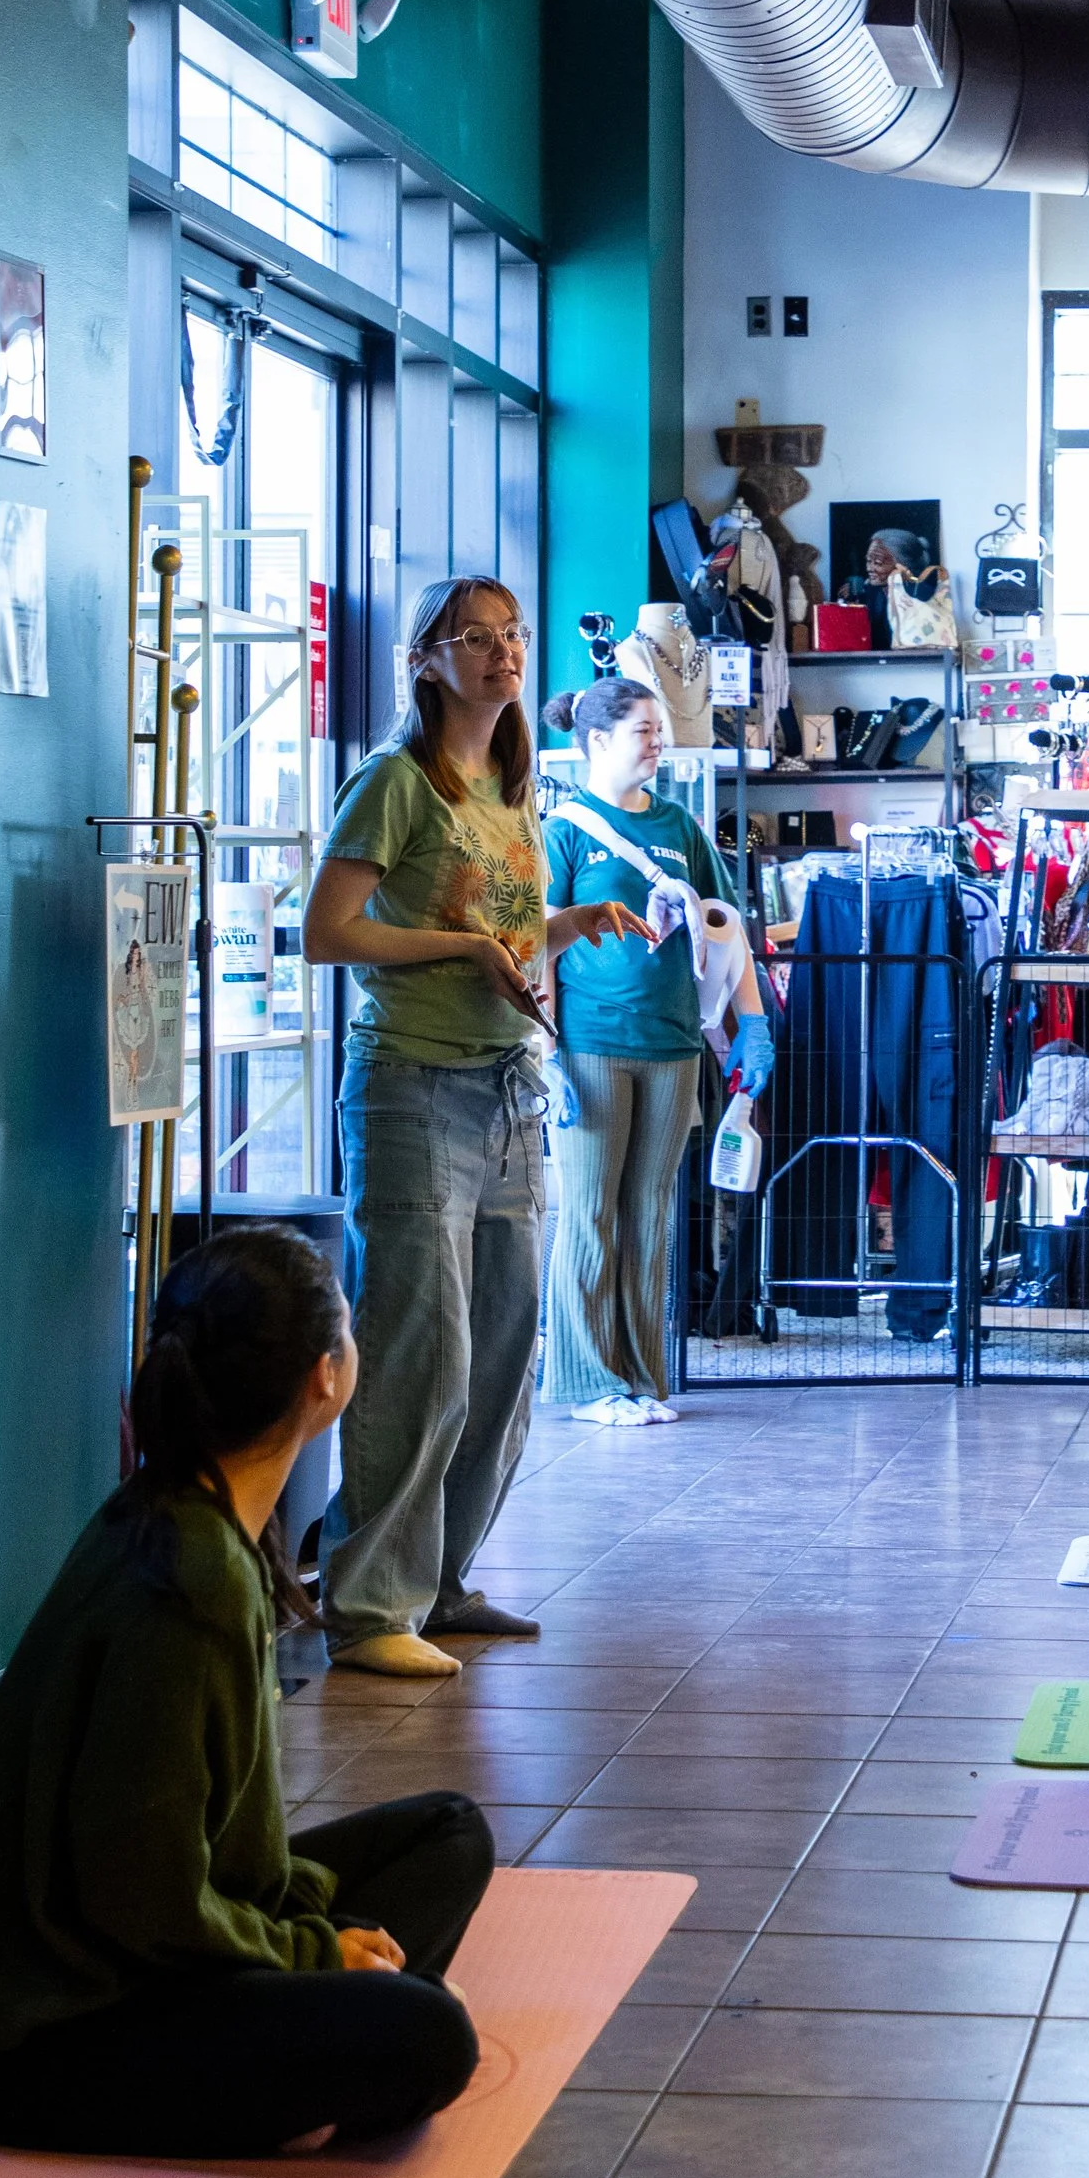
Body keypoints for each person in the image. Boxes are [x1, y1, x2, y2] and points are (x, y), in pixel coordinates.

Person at [0, 1229, 494, 2156]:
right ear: (324, 1378)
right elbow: (142, 1901)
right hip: (45, 2039)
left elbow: (203, 1870)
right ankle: (335, 2032)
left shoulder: (187, 1510)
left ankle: (327, 2020)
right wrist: (316, 1953)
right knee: (430, 2038)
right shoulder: (189, 1580)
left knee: (448, 1835)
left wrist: (316, 1939)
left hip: (138, 1952)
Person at [303, 577, 638, 1676]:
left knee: (501, 1349)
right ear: (427, 661)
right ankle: (368, 1607)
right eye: (476, 639)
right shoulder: (395, 784)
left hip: (509, 1091)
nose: (504, 655)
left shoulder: (512, 785)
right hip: (411, 1088)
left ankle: (439, 1582)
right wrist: (466, 953)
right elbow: (329, 932)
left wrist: (564, 922)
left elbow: (491, 927)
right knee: (420, 1350)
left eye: (513, 637)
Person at [541, 674, 774, 1426]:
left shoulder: (679, 825)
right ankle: (585, 1380)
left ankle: (641, 1375)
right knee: (589, 1213)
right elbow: (537, 941)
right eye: (646, 731)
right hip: (592, 1042)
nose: (659, 744)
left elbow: (725, 929)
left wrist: (752, 1023)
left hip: (674, 1043)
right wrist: (545, 1046)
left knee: (651, 1214)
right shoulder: (565, 829)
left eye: (660, 730)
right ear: (598, 740)